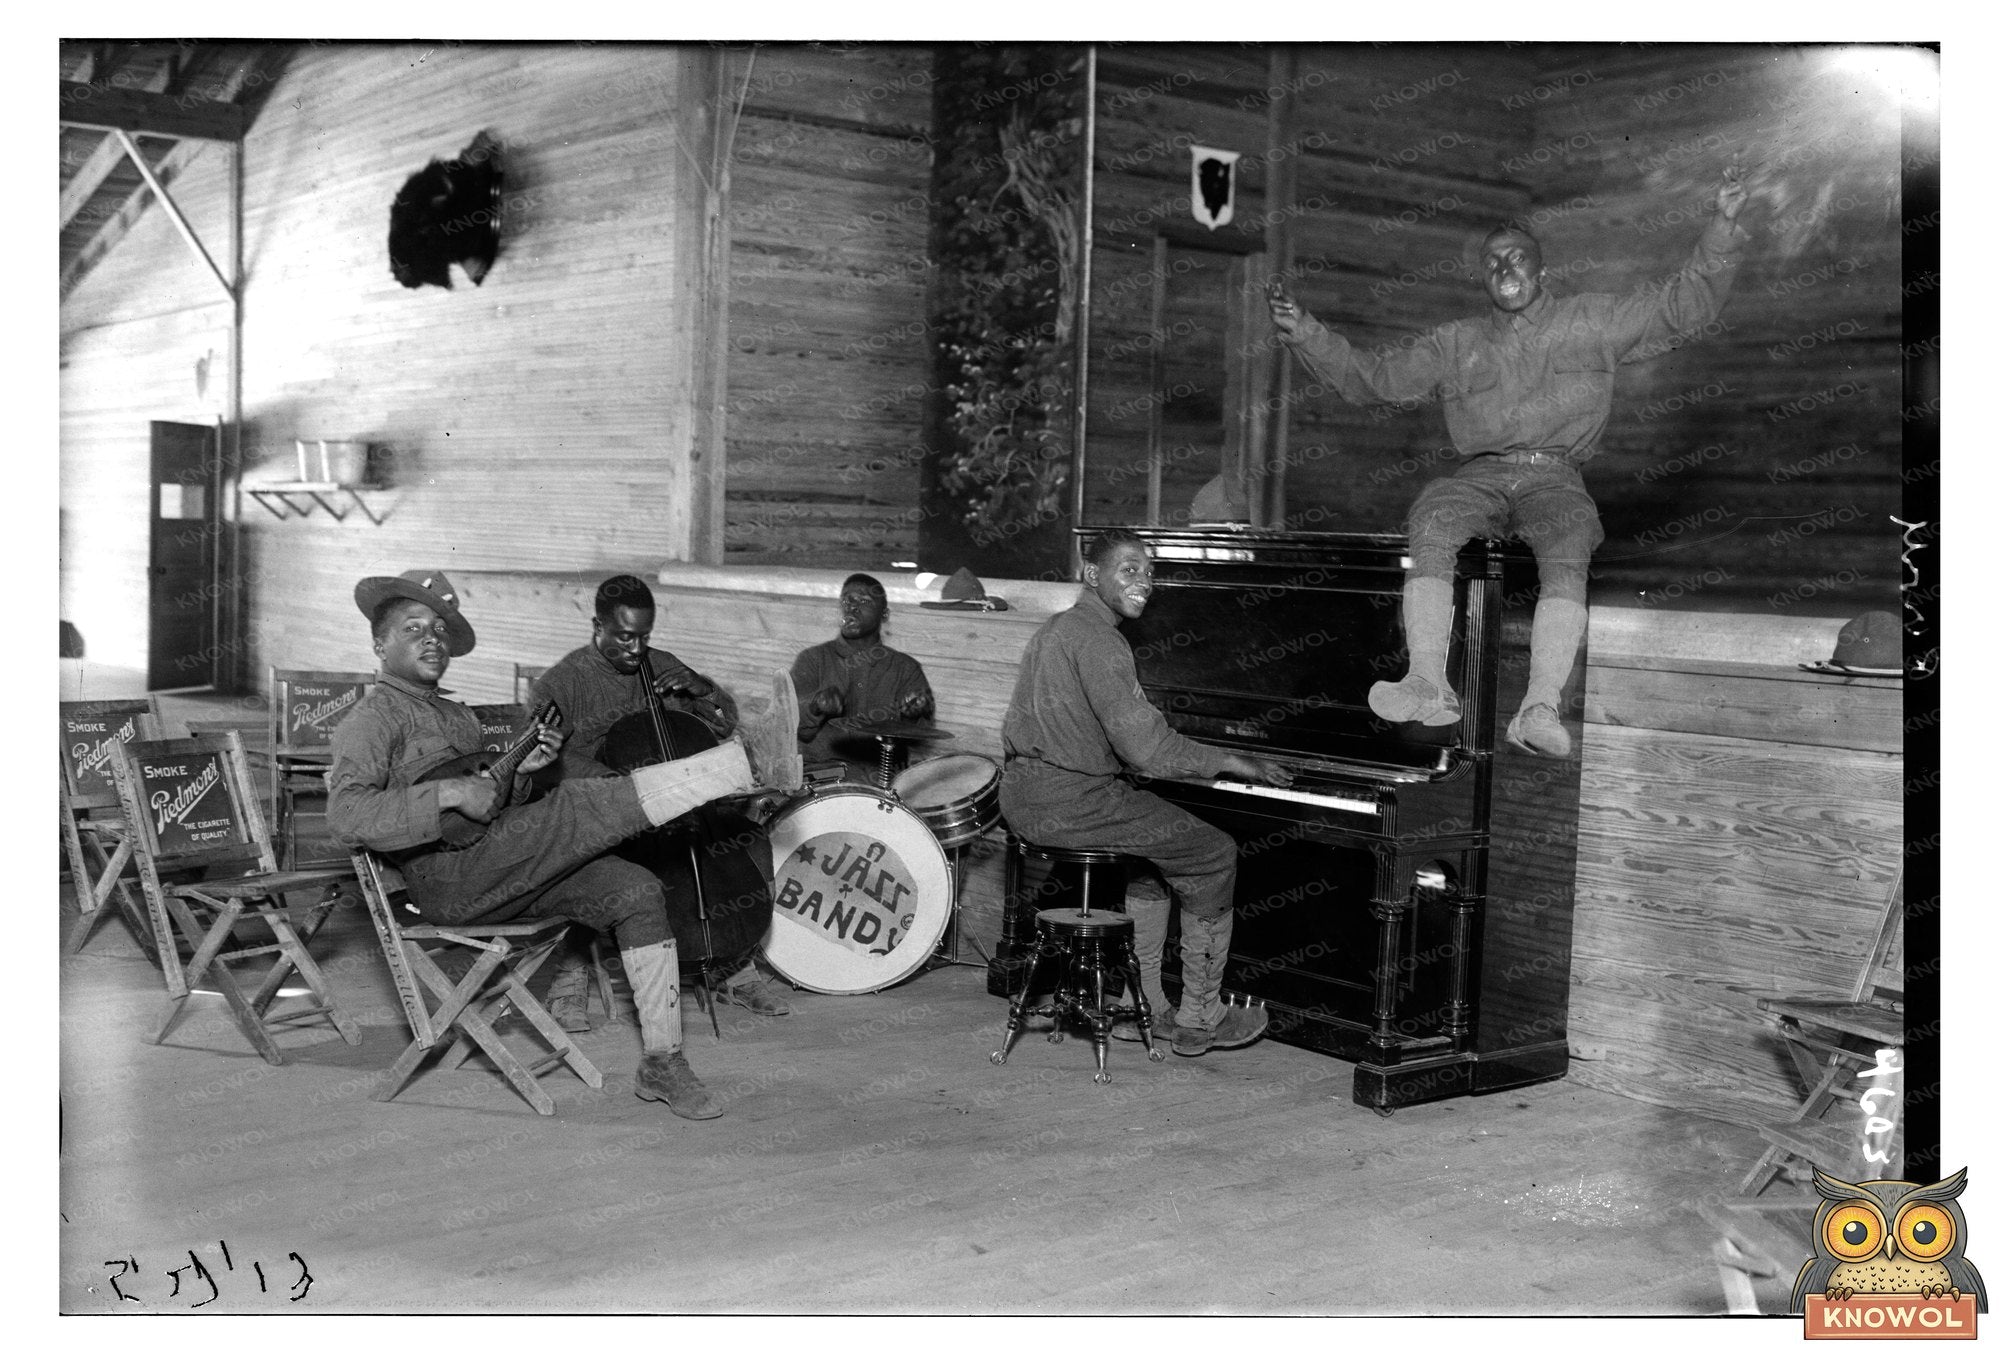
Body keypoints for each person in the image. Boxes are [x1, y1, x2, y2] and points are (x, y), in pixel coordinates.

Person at [1268, 168, 1750, 757]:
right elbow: (1373, 380)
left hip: (1556, 478)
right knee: (1433, 515)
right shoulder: (1454, 342)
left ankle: (1538, 708)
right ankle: (1429, 684)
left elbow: (1684, 307)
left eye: (1517, 258)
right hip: (1480, 477)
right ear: (1482, 279)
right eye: (1493, 263)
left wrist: (1723, 225)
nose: (1505, 270)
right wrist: (1306, 334)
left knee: (1570, 538)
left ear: (1541, 269)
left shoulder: (1591, 319)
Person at [327, 568, 803, 1121]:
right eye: (414, 628)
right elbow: (346, 815)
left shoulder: (455, 715)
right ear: (379, 644)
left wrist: (524, 773)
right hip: (447, 882)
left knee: (636, 890)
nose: (432, 638)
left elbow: (487, 807)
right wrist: (445, 791)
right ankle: (745, 764)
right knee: (578, 803)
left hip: (495, 866)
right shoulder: (372, 718)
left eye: (439, 629)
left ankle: (663, 1062)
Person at [998, 531, 1294, 1057]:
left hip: (1024, 794)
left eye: (1150, 572)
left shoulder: (1058, 628)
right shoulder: (1100, 640)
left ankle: (1148, 1008)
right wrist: (1232, 760)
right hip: (1071, 801)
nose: (1145, 584)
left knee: (1153, 856)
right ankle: (1202, 1016)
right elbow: (1151, 752)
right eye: (1129, 570)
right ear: (1092, 575)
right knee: (1212, 852)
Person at [532, 574, 790, 1022]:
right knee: (587, 863)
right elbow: (547, 762)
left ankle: (733, 962)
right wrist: (621, 780)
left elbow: (723, 723)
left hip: (681, 808)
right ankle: (571, 972)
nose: (636, 650)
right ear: (598, 626)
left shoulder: (661, 664)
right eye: (625, 637)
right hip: (607, 809)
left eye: (644, 637)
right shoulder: (563, 683)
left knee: (749, 840)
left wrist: (701, 687)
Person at [791, 573, 936, 782]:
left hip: (881, 778)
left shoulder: (906, 668)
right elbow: (795, 727)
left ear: (884, 614)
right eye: (847, 600)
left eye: (864, 601)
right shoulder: (813, 659)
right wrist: (815, 706)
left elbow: (920, 737)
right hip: (822, 779)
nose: (852, 607)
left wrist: (913, 713)